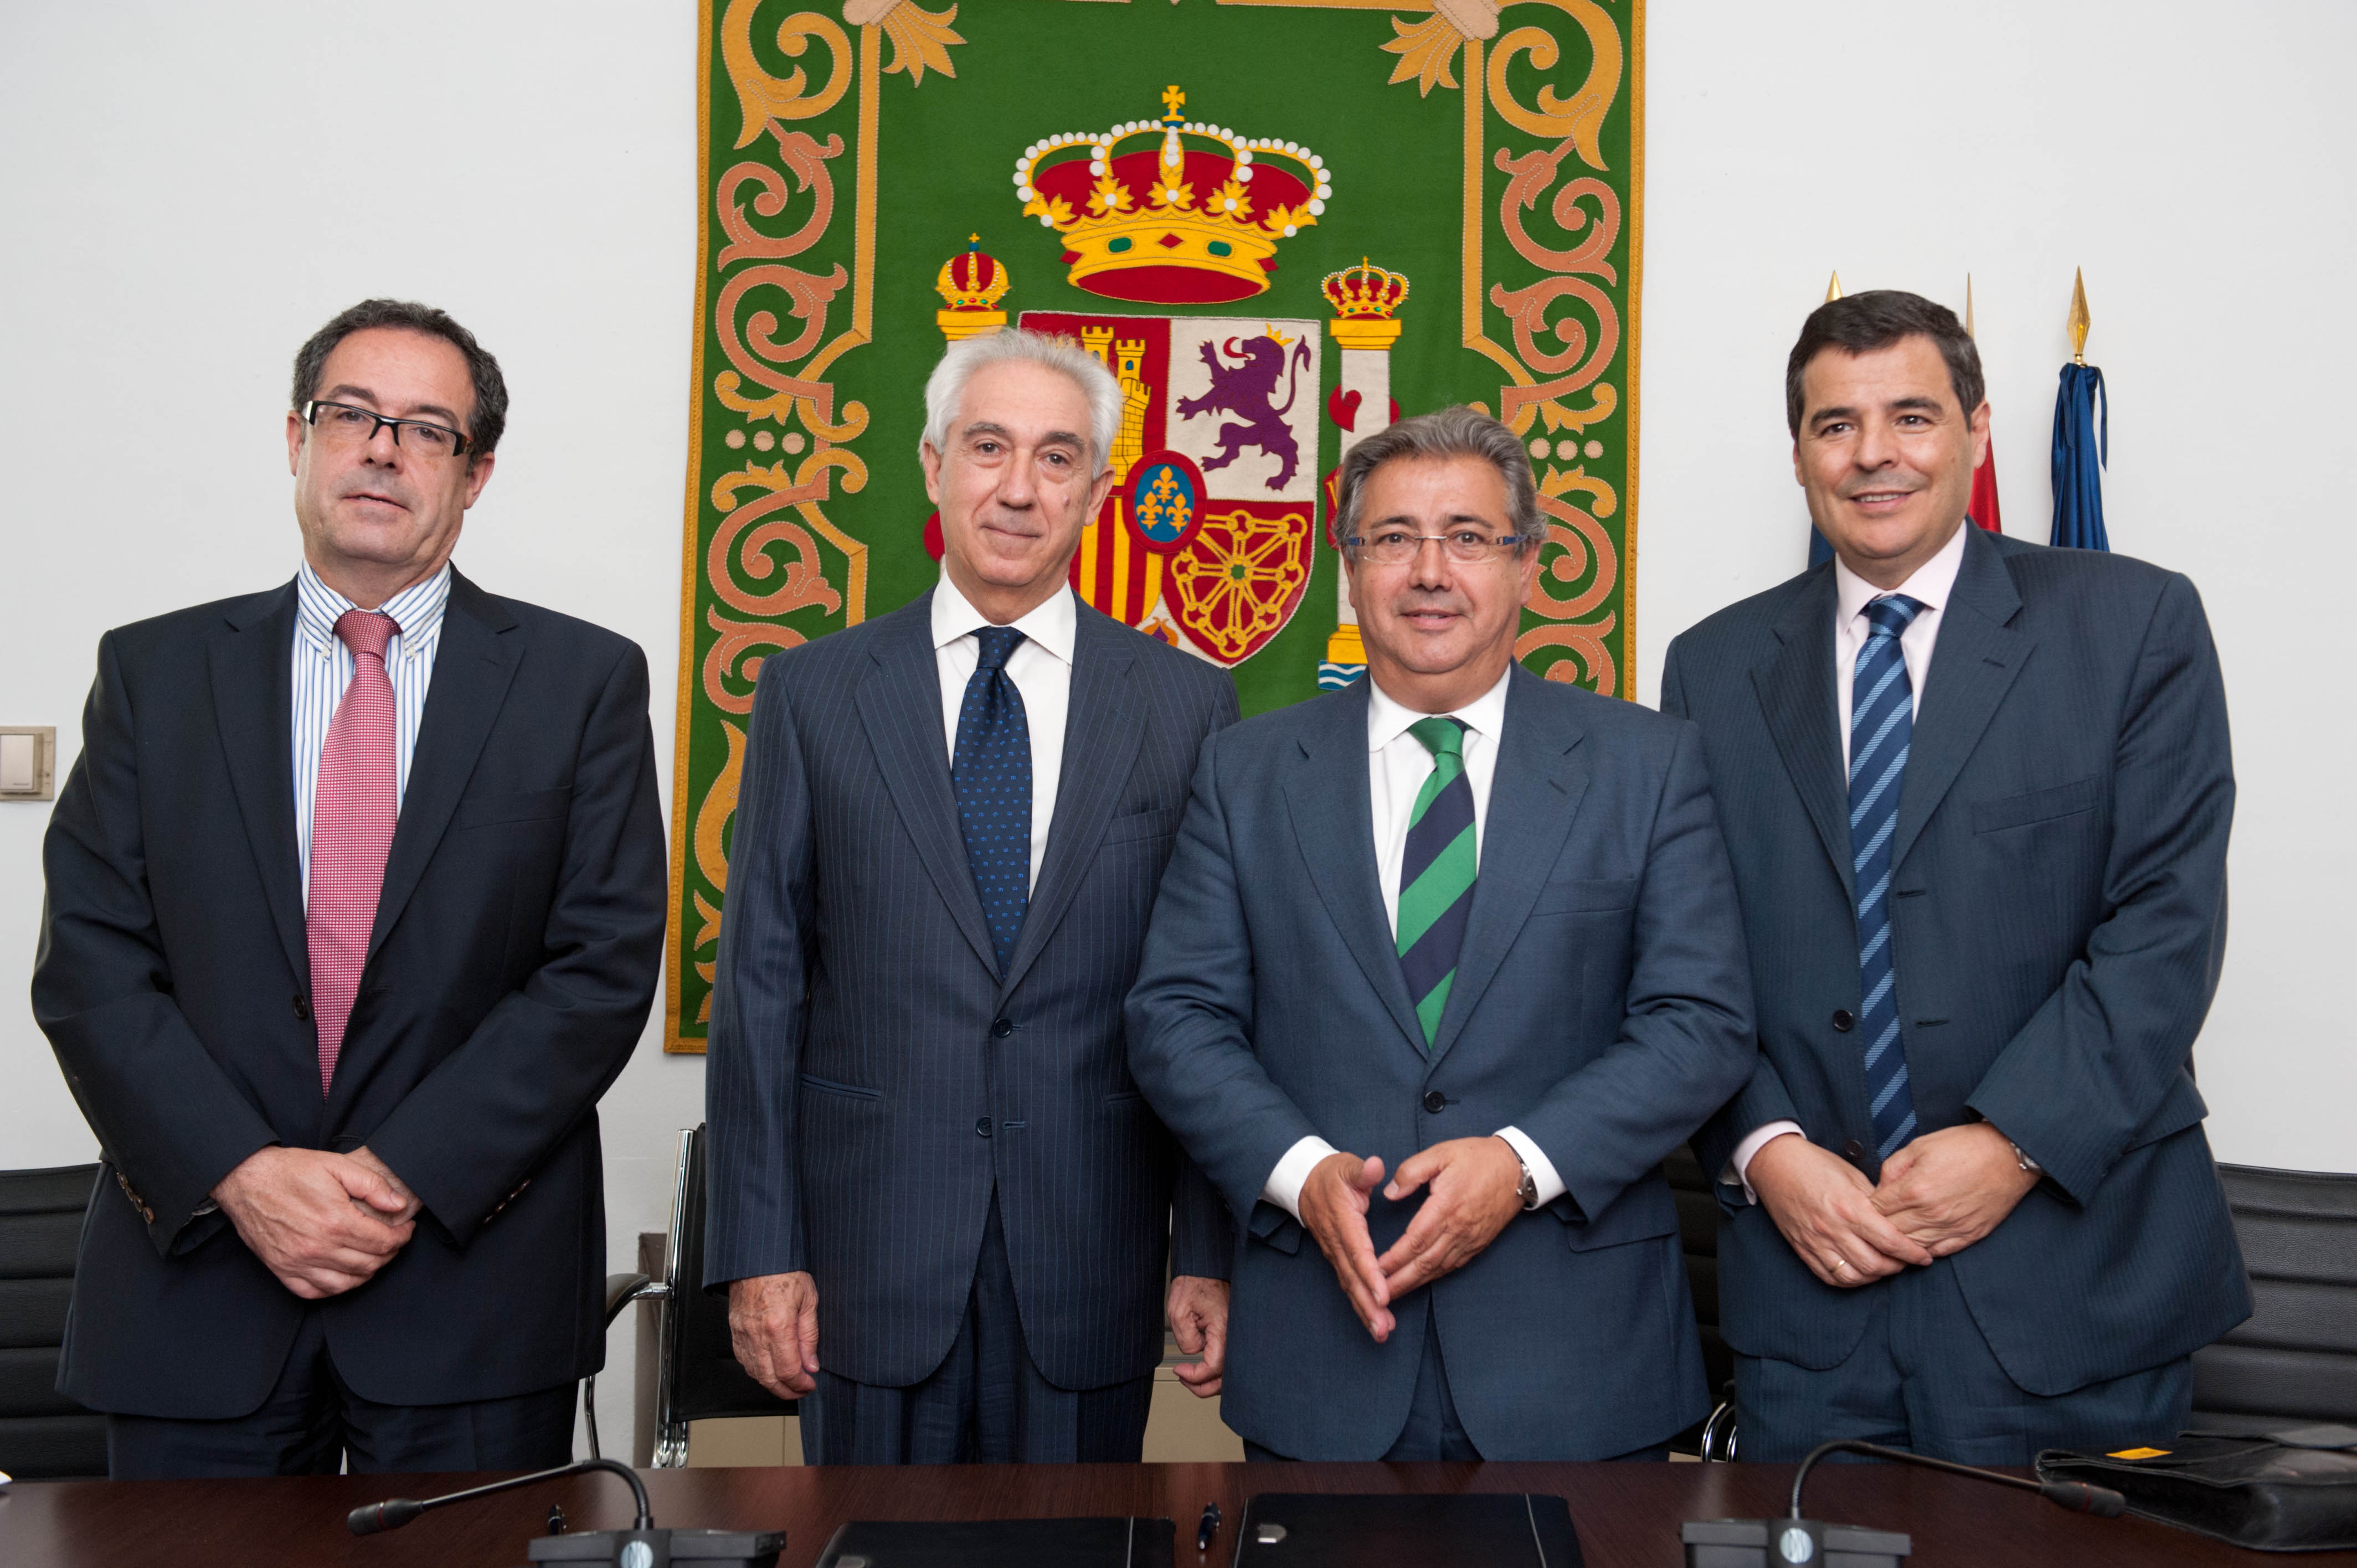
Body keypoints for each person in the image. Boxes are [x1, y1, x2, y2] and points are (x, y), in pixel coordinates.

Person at [32, 299, 668, 1478]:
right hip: (200, 1291)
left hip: (468, 1296)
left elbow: (600, 972)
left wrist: (395, 1178)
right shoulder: (156, 674)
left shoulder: (581, 683)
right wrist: (243, 1175)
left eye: (427, 429)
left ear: (475, 475)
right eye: (351, 416)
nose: (382, 449)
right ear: (296, 438)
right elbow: (92, 966)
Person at [1661, 289, 2247, 1466]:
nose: (1873, 453)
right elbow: (1687, 955)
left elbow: (2165, 926)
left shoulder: (2133, 624)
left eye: (1912, 417)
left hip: (2072, 1288)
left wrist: (2015, 1143)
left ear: (1976, 432)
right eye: (1835, 425)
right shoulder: (1710, 667)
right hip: (1812, 1299)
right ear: (1797, 455)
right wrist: (1765, 1148)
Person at [1125, 406, 1755, 1462]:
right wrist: (1298, 1171)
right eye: (1393, 539)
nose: (1430, 571)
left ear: (1527, 564)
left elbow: (1700, 1022)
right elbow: (1177, 1017)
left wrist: (1520, 1164)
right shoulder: (1246, 773)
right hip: (1323, 1351)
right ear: (1349, 568)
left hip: (1579, 1363)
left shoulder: (1647, 767)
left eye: (1467, 537)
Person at [703, 328, 1238, 1465]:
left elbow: (1207, 998)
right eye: (989, 447)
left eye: (1057, 458)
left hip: (1091, 1257)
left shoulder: (1187, 706)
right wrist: (758, 1250)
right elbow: (760, 986)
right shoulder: (811, 693)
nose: (1018, 488)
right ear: (933, 464)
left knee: (1081, 1548)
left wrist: (1207, 1251)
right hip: (864, 1261)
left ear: (1098, 493)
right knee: (865, 1545)